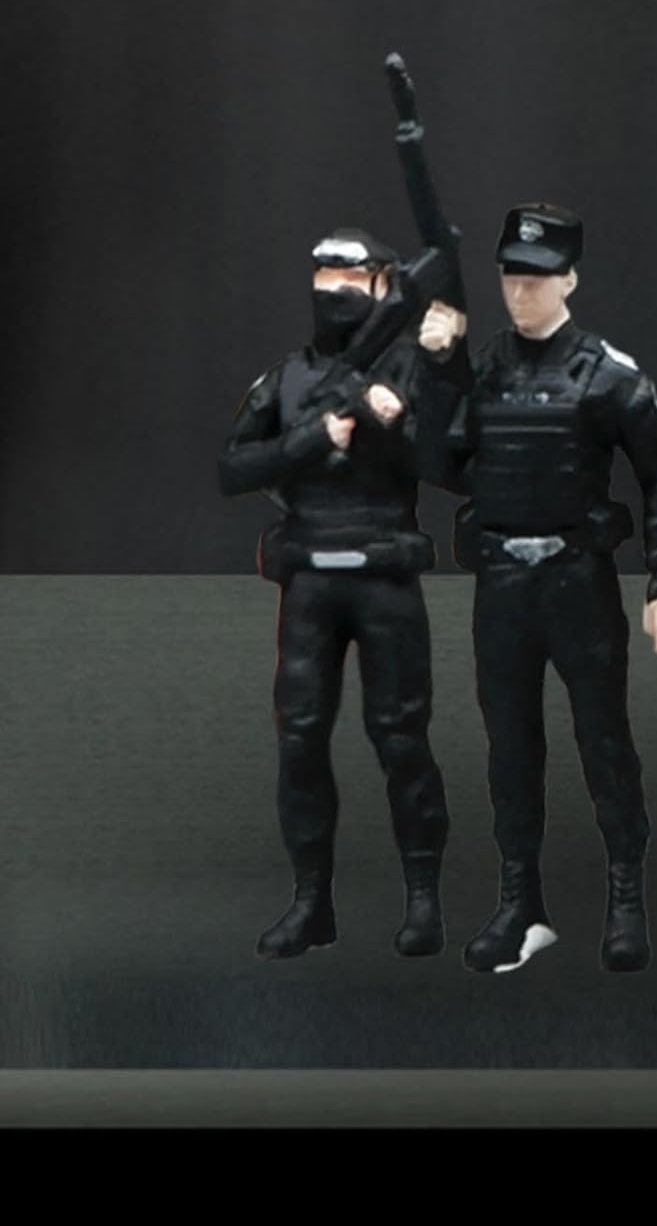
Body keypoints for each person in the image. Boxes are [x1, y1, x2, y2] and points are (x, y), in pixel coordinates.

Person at [417, 203, 657, 975]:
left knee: (604, 741)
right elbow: (440, 466)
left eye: (537, 278)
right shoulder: (485, 368)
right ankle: (520, 904)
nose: (521, 292)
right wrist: (439, 369)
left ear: (569, 279)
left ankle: (626, 897)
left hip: (577, 580)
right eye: (511, 277)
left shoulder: (607, 374)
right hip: (503, 582)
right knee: (509, 748)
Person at [218, 228, 451, 959]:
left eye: (352, 280)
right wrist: (312, 438)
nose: (336, 292)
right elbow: (233, 468)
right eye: (325, 279)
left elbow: (447, 460)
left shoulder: (410, 367)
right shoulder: (289, 377)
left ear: (381, 286)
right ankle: (311, 901)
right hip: (312, 580)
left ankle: (423, 901)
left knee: (401, 738)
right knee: (299, 739)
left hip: (383, 574)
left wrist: (392, 416)